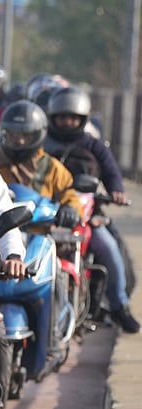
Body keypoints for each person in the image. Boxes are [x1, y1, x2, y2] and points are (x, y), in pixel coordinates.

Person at [0, 100, 139, 333]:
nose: (19, 141)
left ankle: (118, 305)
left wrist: (75, 207)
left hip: (45, 228)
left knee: (108, 248)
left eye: (26, 135)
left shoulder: (52, 164)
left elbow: (74, 190)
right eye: (13, 135)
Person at [43, 87, 136, 325]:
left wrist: (116, 191)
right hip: (45, 215)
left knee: (109, 250)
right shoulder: (42, 144)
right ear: (53, 117)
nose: (67, 122)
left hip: (87, 217)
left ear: (82, 119)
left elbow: (112, 172)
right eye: (63, 117)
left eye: (73, 117)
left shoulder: (94, 145)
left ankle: (119, 305)